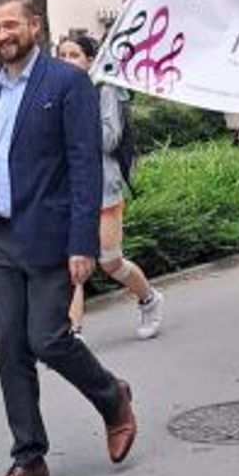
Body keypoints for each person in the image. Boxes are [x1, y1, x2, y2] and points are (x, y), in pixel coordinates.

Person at [0, 0, 137, 476]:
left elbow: (85, 165)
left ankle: (113, 397)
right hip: (2, 237)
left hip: (52, 235)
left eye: (10, 25)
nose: (1, 35)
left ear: (33, 25)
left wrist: (82, 242)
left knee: (48, 338)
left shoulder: (66, 83)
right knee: (8, 348)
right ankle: (29, 459)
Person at [56, 30, 167, 340]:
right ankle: (73, 333)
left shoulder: (105, 89)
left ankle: (149, 299)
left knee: (110, 262)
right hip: (69, 189)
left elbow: (109, 138)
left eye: (74, 55)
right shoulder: (55, 93)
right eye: (62, 56)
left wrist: (77, 118)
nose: (67, 61)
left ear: (90, 60)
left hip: (103, 187)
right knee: (73, 263)